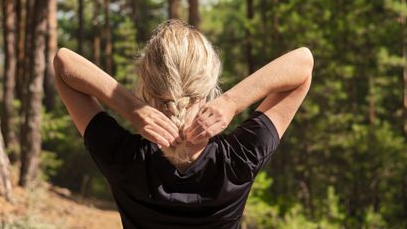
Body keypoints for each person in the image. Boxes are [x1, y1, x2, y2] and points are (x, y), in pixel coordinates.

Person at [53, 18, 314, 229]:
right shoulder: (237, 160)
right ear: (208, 85)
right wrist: (232, 102)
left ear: (146, 84)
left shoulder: (124, 159)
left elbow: (64, 63)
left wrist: (132, 108)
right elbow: (303, 63)